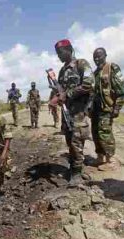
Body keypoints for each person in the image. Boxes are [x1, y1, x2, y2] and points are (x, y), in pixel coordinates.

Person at [49, 38, 94, 186]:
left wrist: (66, 95)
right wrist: (56, 96)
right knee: (70, 142)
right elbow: (61, 90)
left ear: (69, 50)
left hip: (79, 113)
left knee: (76, 142)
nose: (59, 56)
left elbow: (88, 84)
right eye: (57, 53)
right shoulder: (62, 70)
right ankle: (74, 169)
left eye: (60, 52)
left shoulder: (81, 64)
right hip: (67, 113)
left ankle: (77, 174)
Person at [91, 48, 124, 171]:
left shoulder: (112, 68)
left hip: (106, 108)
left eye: (99, 56)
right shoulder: (95, 73)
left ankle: (110, 159)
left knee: (105, 133)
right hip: (95, 110)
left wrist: (117, 108)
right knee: (95, 133)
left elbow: (121, 91)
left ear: (105, 55)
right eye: (94, 57)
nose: (96, 59)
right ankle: (100, 157)